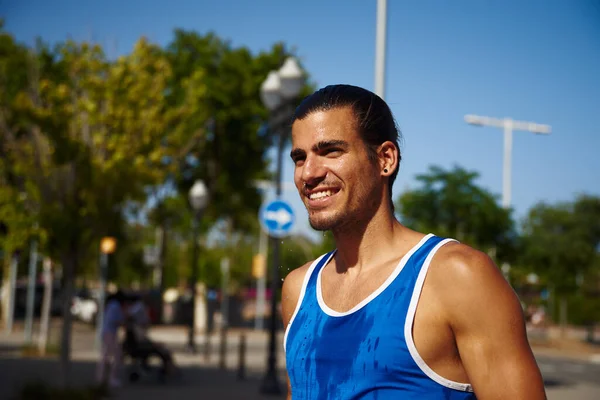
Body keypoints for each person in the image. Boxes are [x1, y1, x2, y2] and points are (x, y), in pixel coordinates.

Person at [282, 84, 546, 399]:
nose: (308, 173)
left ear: (385, 159)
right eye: (300, 157)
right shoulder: (298, 289)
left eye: (330, 151)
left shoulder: (457, 276)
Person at [97, 290, 128, 388]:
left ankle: (101, 378)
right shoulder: (115, 306)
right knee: (117, 355)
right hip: (110, 333)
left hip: (106, 332)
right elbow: (116, 320)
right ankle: (111, 378)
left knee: (105, 355)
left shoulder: (110, 305)